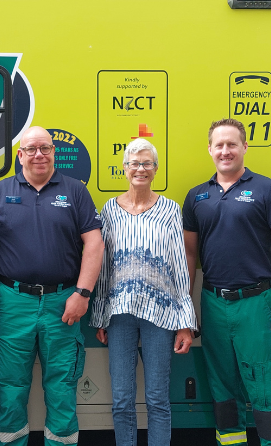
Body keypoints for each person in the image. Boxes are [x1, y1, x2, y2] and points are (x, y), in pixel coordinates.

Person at [0, 126, 104, 446]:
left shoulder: (75, 190)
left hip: (63, 301)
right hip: (12, 301)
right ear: (20, 155)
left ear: (53, 152)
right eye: (31, 149)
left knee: (62, 388)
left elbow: (94, 243)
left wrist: (82, 293)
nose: (39, 154)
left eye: (45, 148)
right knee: (10, 388)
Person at [183, 118, 271, 446]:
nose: (225, 151)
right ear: (209, 149)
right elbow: (189, 257)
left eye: (232, 144)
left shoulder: (268, 189)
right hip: (213, 302)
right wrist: (187, 309)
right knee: (223, 390)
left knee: (267, 387)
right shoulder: (196, 197)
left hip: (256, 303)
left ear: (245, 147)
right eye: (218, 145)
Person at [90, 138, 197, 446]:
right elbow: (105, 266)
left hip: (160, 315)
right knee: (122, 399)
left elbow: (179, 267)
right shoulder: (110, 209)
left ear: (155, 169)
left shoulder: (169, 211)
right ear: (124, 168)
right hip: (119, 315)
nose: (140, 169)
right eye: (134, 163)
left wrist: (184, 322)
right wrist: (100, 317)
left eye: (146, 163)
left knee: (157, 398)